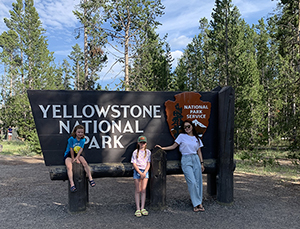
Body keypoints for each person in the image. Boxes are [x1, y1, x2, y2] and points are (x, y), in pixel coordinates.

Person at [156, 120, 205, 212]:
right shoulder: (181, 136)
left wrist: (202, 163)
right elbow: (173, 146)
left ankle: (199, 203)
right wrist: (162, 148)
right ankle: (195, 203)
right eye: (185, 127)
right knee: (192, 182)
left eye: (188, 126)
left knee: (198, 182)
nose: (187, 128)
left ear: (192, 126)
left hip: (196, 159)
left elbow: (199, 151)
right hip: (186, 159)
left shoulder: (197, 138)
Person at [64, 125, 95, 192]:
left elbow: (81, 150)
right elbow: (71, 149)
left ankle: (90, 178)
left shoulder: (83, 140)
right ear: (75, 132)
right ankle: (72, 184)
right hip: (69, 154)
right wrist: (73, 159)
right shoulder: (71, 139)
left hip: (77, 154)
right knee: (69, 167)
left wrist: (77, 158)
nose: (80, 134)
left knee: (85, 163)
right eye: (79, 132)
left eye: (82, 132)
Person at [131, 136, 151, 217]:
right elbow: (134, 163)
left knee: (143, 190)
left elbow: (148, 163)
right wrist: (139, 172)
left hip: (145, 171)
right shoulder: (135, 152)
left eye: (144, 143)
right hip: (137, 171)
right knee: (138, 190)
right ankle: (138, 208)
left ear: (146, 143)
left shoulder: (148, 152)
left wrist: (145, 172)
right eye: (141, 142)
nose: (142, 144)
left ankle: (143, 207)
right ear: (138, 143)